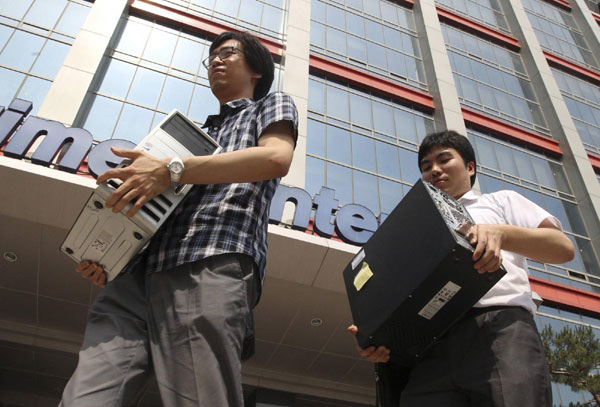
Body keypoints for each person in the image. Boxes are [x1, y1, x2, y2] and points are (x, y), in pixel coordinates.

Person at [60, 31, 298, 407]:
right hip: (133, 280)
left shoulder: (269, 106)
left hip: (206, 261)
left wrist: (171, 170)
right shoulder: (188, 136)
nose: (216, 61)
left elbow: (274, 159)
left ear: (256, 68)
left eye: (227, 53)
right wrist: (109, 254)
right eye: (211, 57)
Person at [348, 130, 574, 406]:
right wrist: (378, 337)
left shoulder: (498, 202)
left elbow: (562, 248)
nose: (434, 170)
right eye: (426, 167)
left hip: (499, 332)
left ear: (470, 167)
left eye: (444, 160)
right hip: (429, 351)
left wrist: (501, 235)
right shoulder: (412, 228)